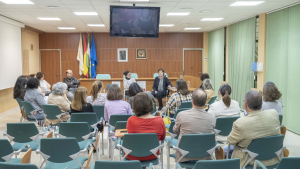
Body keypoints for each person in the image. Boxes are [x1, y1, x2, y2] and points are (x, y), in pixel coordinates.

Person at [227, 91, 282, 168]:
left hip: (250, 162)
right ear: (262, 103)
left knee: (227, 150)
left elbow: (230, 141)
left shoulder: (240, 123)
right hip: (273, 160)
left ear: (245, 105)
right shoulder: (274, 113)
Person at [173, 88, 216, 164]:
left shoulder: (181, 115)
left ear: (192, 101)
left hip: (184, 155)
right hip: (205, 156)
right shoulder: (212, 118)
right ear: (205, 102)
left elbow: (175, 131)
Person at [126, 92, 166, 161]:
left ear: (135, 106)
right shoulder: (159, 120)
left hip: (133, 154)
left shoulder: (131, 120)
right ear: (150, 104)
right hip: (152, 154)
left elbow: (131, 136)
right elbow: (162, 138)